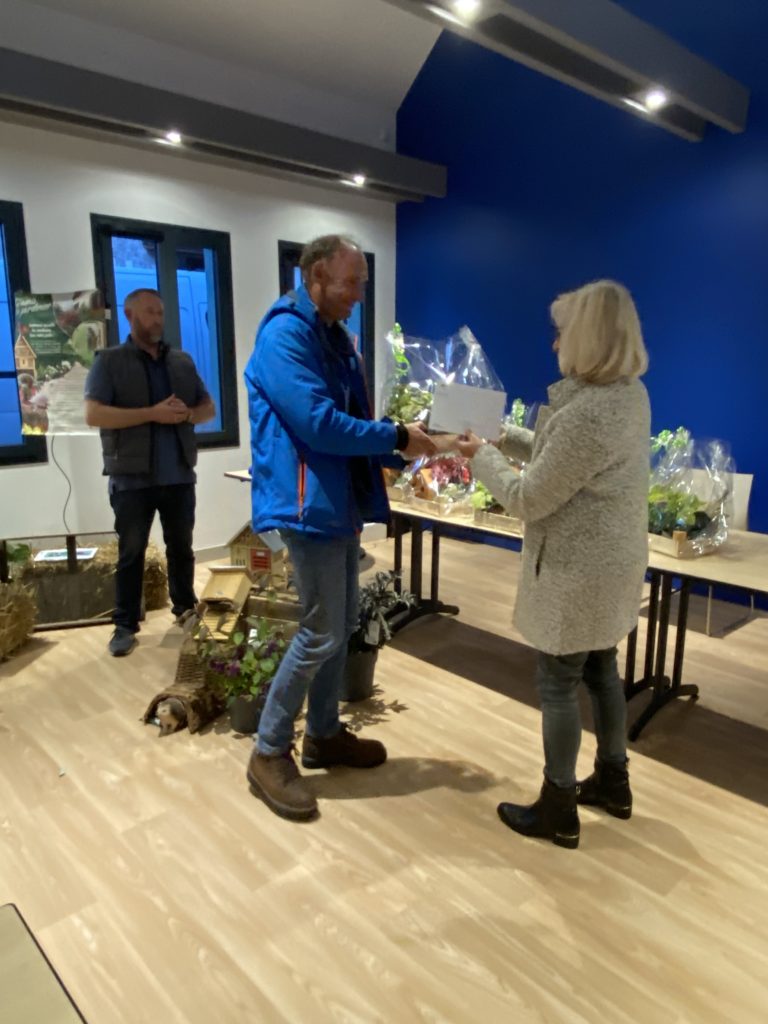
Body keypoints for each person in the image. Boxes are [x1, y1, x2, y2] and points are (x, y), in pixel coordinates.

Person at [244, 234, 435, 821]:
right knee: (321, 630)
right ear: (317, 276)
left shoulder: (332, 336)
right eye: (351, 283)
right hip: (307, 504)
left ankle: (324, 734)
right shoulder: (285, 335)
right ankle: (267, 750)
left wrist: (405, 443)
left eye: (362, 284)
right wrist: (396, 436)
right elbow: (320, 425)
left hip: (336, 500)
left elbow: (350, 418)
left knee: (342, 623)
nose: (358, 295)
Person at [456, 280, 650, 850]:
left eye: (563, 332)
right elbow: (560, 456)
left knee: (559, 681)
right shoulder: (627, 394)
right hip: (612, 565)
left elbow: (527, 498)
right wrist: (501, 437)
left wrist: (480, 455)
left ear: (589, 339)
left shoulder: (587, 412)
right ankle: (614, 783)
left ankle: (558, 807)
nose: (554, 343)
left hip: (577, 569)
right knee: (602, 669)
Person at [84, 288, 216, 657]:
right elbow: (93, 414)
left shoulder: (182, 362)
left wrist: (187, 414)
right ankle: (125, 625)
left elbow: (208, 408)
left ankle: (185, 610)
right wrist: (151, 413)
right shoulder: (109, 362)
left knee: (182, 549)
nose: (157, 319)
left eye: (160, 312)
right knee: (131, 554)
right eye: (148, 312)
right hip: (131, 479)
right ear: (129, 315)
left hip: (179, 475)